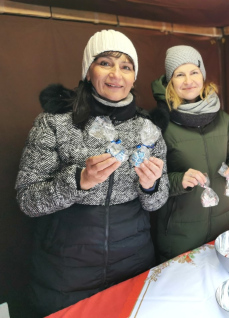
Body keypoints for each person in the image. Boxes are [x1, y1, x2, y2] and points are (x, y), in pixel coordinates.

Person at [15, 29, 169, 316]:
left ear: (134, 77)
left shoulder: (147, 129)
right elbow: (27, 200)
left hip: (134, 259)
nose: (116, 74)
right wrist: (78, 181)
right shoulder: (54, 123)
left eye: (126, 66)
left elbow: (157, 202)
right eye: (105, 62)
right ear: (88, 71)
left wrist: (151, 186)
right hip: (66, 268)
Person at [150, 45, 229, 262]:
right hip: (180, 235)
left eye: (194, 72)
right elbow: (149, 182)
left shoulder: (223, 119)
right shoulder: (159, 121)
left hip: (222, 227)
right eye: (179, 74)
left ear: (202, 76)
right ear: (170, 81)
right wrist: (179, 180)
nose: (188, 80)